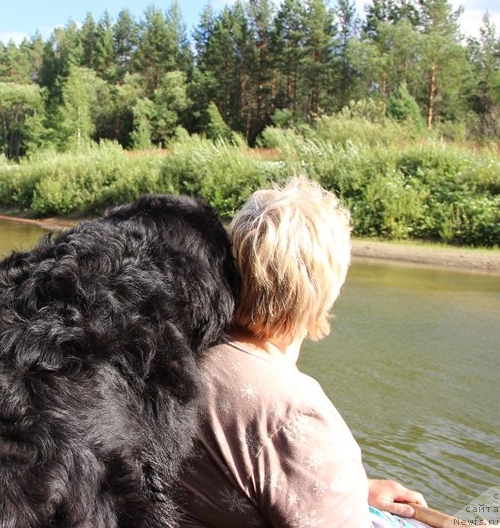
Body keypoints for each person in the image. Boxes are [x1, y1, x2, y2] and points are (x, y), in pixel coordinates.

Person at [177, 177, 427, 527]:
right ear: (326, 290)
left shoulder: (177, 354)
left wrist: (350, 489)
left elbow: (236, 483)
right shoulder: (296, 418)